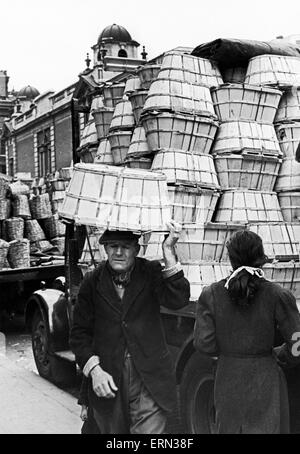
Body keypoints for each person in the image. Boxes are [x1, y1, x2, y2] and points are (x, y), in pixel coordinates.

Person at [70, 221, 190, 434]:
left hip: (148, 377)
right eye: (113, 246)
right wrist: (94, 371)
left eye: (125, 247)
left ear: (137, 249)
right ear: (104, 248)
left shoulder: (150, 272)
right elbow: (79, 334)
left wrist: (168, 251)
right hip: (108, 377)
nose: (118, 252)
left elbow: (178, 299)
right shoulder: (92, 281)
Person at [193, 230, 300, 434]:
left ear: (230, 258)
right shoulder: (278, 295)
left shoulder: (211, 294)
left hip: (227, 379)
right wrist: (278, 356)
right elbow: (298, 344)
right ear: (261, 257)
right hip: (265, 379)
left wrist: (227, 354)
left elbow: (203, 344)